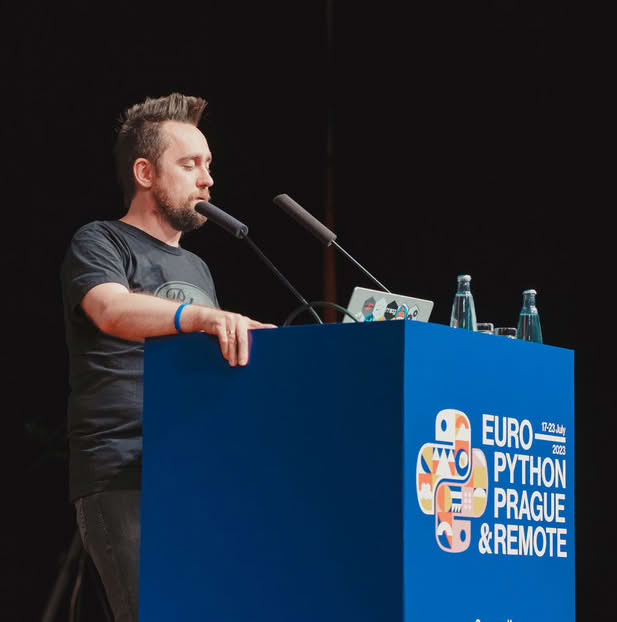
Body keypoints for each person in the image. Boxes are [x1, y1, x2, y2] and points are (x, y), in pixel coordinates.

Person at [60, 93, 275, 621]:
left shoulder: (198, 269)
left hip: (193, 465)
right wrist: (203, 318)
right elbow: (111, 310)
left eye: (208, 166)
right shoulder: (100, 240)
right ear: (145, 172)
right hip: (122, 470)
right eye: (189, 165)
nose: (207, 181)